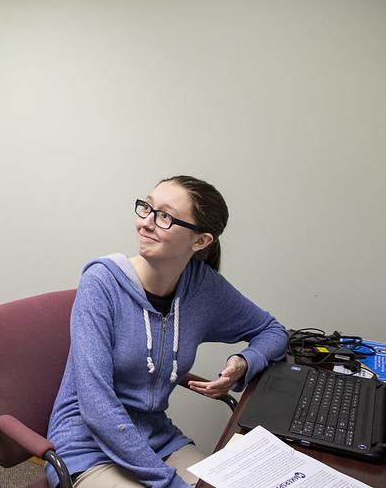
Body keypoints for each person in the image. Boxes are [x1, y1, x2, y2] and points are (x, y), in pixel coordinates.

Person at [46, 176, 288, 488]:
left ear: (200, 241)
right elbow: (96, 407)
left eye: (164, 216)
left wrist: (244, 361)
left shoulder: (203, 288)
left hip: (158, 441)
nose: (145, 223)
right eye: (146, 208)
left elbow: (273, 331)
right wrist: (168, 482)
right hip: (87, 448)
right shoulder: (101, 284)